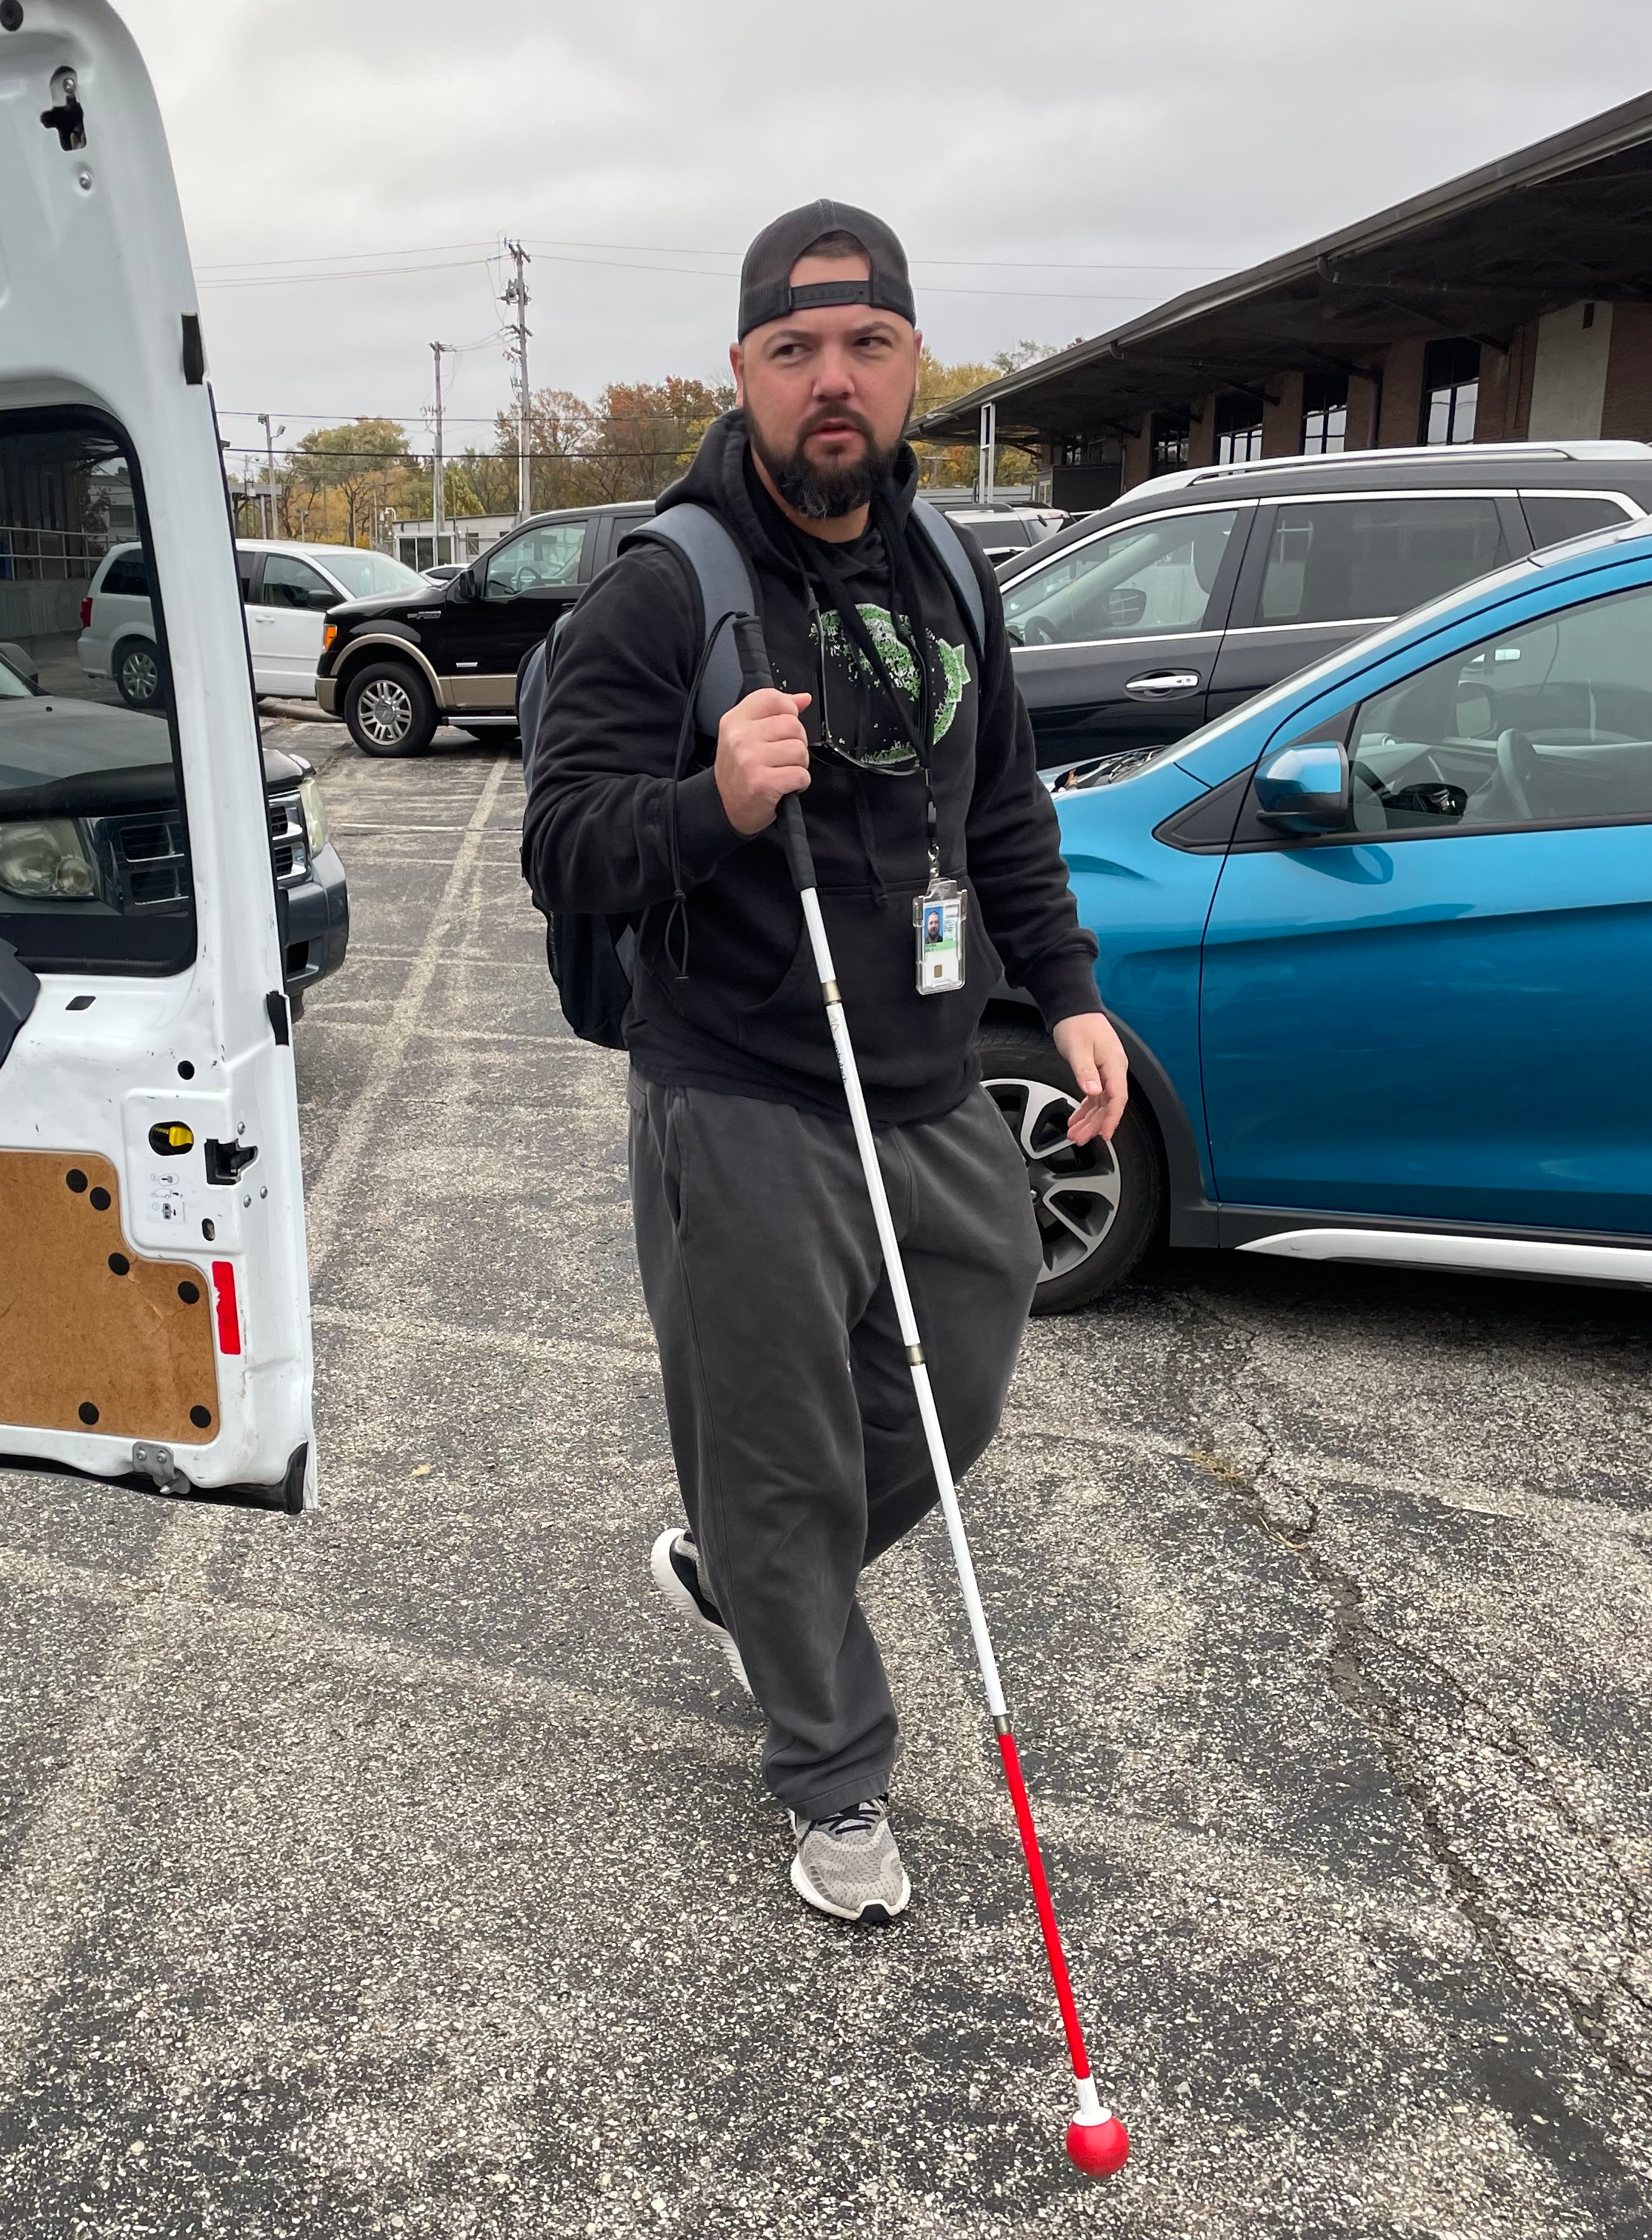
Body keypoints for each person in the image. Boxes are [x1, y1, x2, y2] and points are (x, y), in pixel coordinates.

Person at [522, 200, 1127, 1925]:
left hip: (931, 1078)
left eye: (865, 347)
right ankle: (835, 1772)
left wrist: (1066, 990)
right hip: (746, 1088)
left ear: (915, 360)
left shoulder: (948, 570)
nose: (832, 382)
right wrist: (713, 801)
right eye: (795, 353)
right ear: (745, 375)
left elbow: (1000, 799)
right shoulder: (665, 592)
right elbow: (563, 845)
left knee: (961, 1383)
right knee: (784, 1445)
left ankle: (741, 1571)